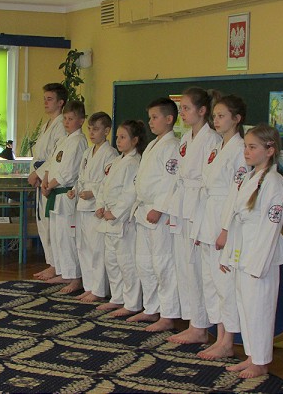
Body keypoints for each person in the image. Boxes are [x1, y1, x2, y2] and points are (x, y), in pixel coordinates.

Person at [221, 124, 283, 379]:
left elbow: (271, 229)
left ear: (269, 150)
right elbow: (236, 221)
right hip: (242, 251)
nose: (247, 152)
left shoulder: (275, 183)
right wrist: (228, 255)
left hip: (260, 258)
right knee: (246, 307)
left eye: (252, 147)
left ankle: (261, 362)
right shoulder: (250, 178)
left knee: (259, 309)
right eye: (245, 147)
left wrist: (257, 265)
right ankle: (252, 356)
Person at [190, 95, 247, 359]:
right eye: (214, 116)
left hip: (224, 218)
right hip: (208, 216)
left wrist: (225, 229)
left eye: (222, 116)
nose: (216, 120)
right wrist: (200, 228)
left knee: (225, 283)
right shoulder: (217, 147)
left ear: (237, 119)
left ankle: (228, 340)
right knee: (211, 281)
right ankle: (218, 334)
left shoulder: (241, 149)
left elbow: (238, 193)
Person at [166, 87, 222, 344]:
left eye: (186, 108)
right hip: (183, 204)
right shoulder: (186, 138)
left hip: (199, 207)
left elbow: (208, 181)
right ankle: (193, 322)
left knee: (197, 268)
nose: (182, 113)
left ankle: (200, 326)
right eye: (181, 109)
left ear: (202, 111)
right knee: (185, 267)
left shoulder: (212, 140)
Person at [127, 98, 181, 331]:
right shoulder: (152, 145)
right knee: (144, 263)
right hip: (143, 210)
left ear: (169, 119)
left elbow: (171, 181)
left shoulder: (173, 146)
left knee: (162, 263)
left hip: (160, 212)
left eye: (155, 117)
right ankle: (151, 308)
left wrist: (159, 207)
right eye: (149, 118)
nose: (150, 122)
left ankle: (168, 315)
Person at [95, 119, 147, 317]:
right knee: (111, 261)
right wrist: (100, 206)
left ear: (135, 140)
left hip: (122, 219)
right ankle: (117, 297)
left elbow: (130, 192)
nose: (118, 141)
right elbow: (103, 186)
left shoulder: (134, 162)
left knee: (126, 262)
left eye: (123, 137)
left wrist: (115, 212)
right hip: (108, 218)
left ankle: (132, 303)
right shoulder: (117, 161)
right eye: (117, 137)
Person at [68, 112, 118, 303]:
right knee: (83, 247)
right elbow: (81, 177)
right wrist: (75, 190)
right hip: (82, 205)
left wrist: (93, 192)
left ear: (106, 131)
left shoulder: (110, 154)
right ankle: (88, 286)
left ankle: (98, 289)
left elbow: (109, 181)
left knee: (96, 250)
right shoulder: (88, 152)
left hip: (96, 207)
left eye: (96, 129)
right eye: (89, 129)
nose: (91, 133)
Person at [41, 100, 88, 293]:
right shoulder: (64, 140)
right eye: (65, 119)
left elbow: (69, 172)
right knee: (57, 237)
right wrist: (45, 180)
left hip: (65, 194)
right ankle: (63, 272)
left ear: (81, 121)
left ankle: (75, 278)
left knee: (68, 238)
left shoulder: (78, 141)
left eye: (71, 119)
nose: (66, 122)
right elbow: (51, 164)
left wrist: (50, 185)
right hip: (55, 193)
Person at [29, 83, 68, 282]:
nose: (45, 102)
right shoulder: (48, 124)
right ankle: (52, 264)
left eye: (50, 99)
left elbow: (56, 156)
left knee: (52, 226)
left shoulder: (61, 125)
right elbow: (38, 155)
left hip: (50, 179)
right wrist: (34, 172)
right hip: (42, 177)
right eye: (44, 98)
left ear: (61, 102)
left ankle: (57, 267)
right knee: (44, 225)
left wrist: (39, 174)